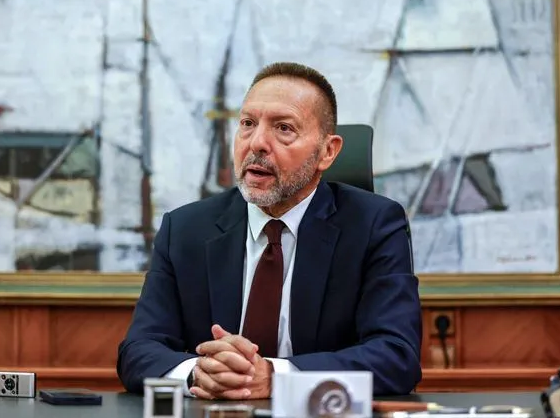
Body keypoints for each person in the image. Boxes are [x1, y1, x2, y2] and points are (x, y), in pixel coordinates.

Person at [116, 62, 422, 400]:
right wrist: (198, 374)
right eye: (247, 124)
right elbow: (138, 351)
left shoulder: (374, 225)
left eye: (284, 128)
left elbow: (396, 356)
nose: (257, 143)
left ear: (328, 151)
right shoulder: (185, 229)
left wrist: (275, 378)